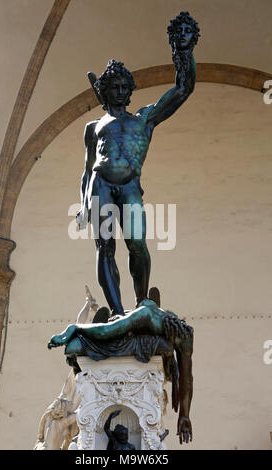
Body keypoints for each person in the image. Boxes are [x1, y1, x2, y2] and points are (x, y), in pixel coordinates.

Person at [76, 11, 199, 317]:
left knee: (138, 246)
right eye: (113, 87)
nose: (119, 91)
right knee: (105, 248)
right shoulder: (94, 126)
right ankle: (117, 311)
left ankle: (141, 301)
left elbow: (182, 90)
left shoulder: (144, 119)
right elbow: (87, 168)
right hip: (100, 184)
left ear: (130, 90)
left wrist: (183, 52)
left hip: (130, 185)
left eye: (123, 87)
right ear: (105, 90)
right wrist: (82, 206)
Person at [48, 298, 194, 444]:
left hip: (132, 335)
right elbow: (106, 331)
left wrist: (185, 415)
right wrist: (75, 329)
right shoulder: (145, 315)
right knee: (74, 347)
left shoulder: (184, 336)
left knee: (166, 349)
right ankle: (76, 328)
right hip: (120, 331)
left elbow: (187, 378)